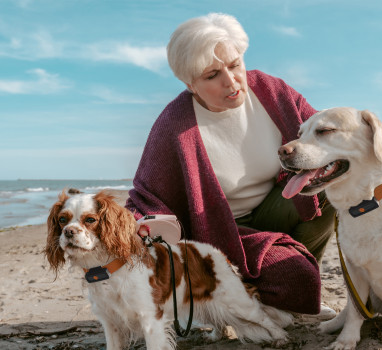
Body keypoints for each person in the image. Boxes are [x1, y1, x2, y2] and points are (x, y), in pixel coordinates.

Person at [125, 13, 335, 318]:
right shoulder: (174, 124)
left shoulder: (271, 91)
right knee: (293, 278)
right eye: (212, 76)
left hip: (273, 209)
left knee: (325, 188)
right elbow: (145, 197)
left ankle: (297, 265)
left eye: (235, 65)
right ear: (190, 84)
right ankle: (274, 283)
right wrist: (141, 227)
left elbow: (324, 139)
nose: (232, 81)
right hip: (222, 232)